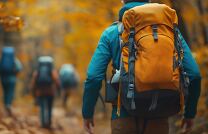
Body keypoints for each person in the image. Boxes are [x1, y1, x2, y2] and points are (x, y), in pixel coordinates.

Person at [82, 0, 201, 134]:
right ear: (148, 1)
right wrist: (189, 114)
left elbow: (93, 77)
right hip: (159, 116)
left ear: (123, 0)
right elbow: (194, 75)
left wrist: (87, 113)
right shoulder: (171, 31)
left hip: (123, 116)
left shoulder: (111, 33)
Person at [30, 56, 60, 129]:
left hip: (40, 93)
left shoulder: (37, 72)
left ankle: (43, 123)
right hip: (50, 92)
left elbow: (33, 84)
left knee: (42, 107)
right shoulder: (52, 71)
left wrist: (34, 94)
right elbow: (56, 81)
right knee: (49, 108)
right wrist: (58, 90)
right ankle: (49, 123)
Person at [0, 46, 22, 116]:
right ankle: (8, 104)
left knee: (5, 92)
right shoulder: (14, 60)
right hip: (12, 79)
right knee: (10, 92)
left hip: (3, 79)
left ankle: (6, 106)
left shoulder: (0, 59)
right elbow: (19, 68)